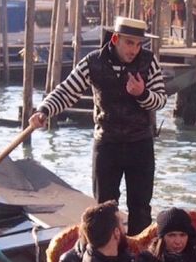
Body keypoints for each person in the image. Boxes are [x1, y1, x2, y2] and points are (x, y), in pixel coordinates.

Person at [30, 17, 167, 235]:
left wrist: (142, 94)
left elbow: (160, 99)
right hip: (107, 144)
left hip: (139, 144)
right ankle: (105, 258)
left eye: (139, 44)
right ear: (115, 39)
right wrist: (44, 110)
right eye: (129, 43)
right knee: (104, 209)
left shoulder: (149, 62)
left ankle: (140, 260)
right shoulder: (93, 61)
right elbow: (67, 91)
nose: (135, 49)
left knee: (140, 210)